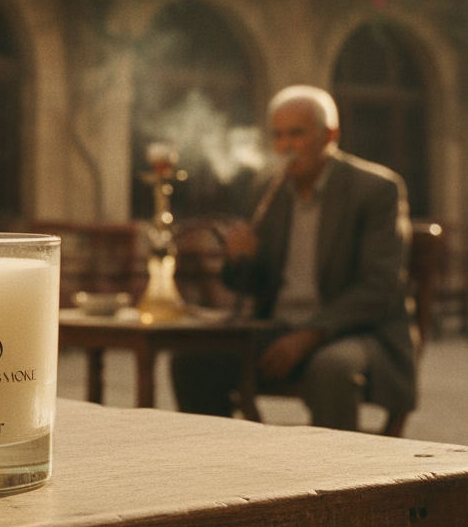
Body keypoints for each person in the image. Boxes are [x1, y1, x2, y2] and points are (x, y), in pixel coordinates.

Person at [171, 85, 416, 430]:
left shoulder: (375, 189)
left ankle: (335, 463)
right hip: (279, 329)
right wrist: (240, 259)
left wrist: (310, 334)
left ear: (330, 135)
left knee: (331, 368)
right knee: (193, 361)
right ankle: (221, 455)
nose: (286, 146)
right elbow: (254, 285)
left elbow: (380, 289)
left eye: (297, 134)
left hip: (358, 332)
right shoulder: (267, 189)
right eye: (278, 135)